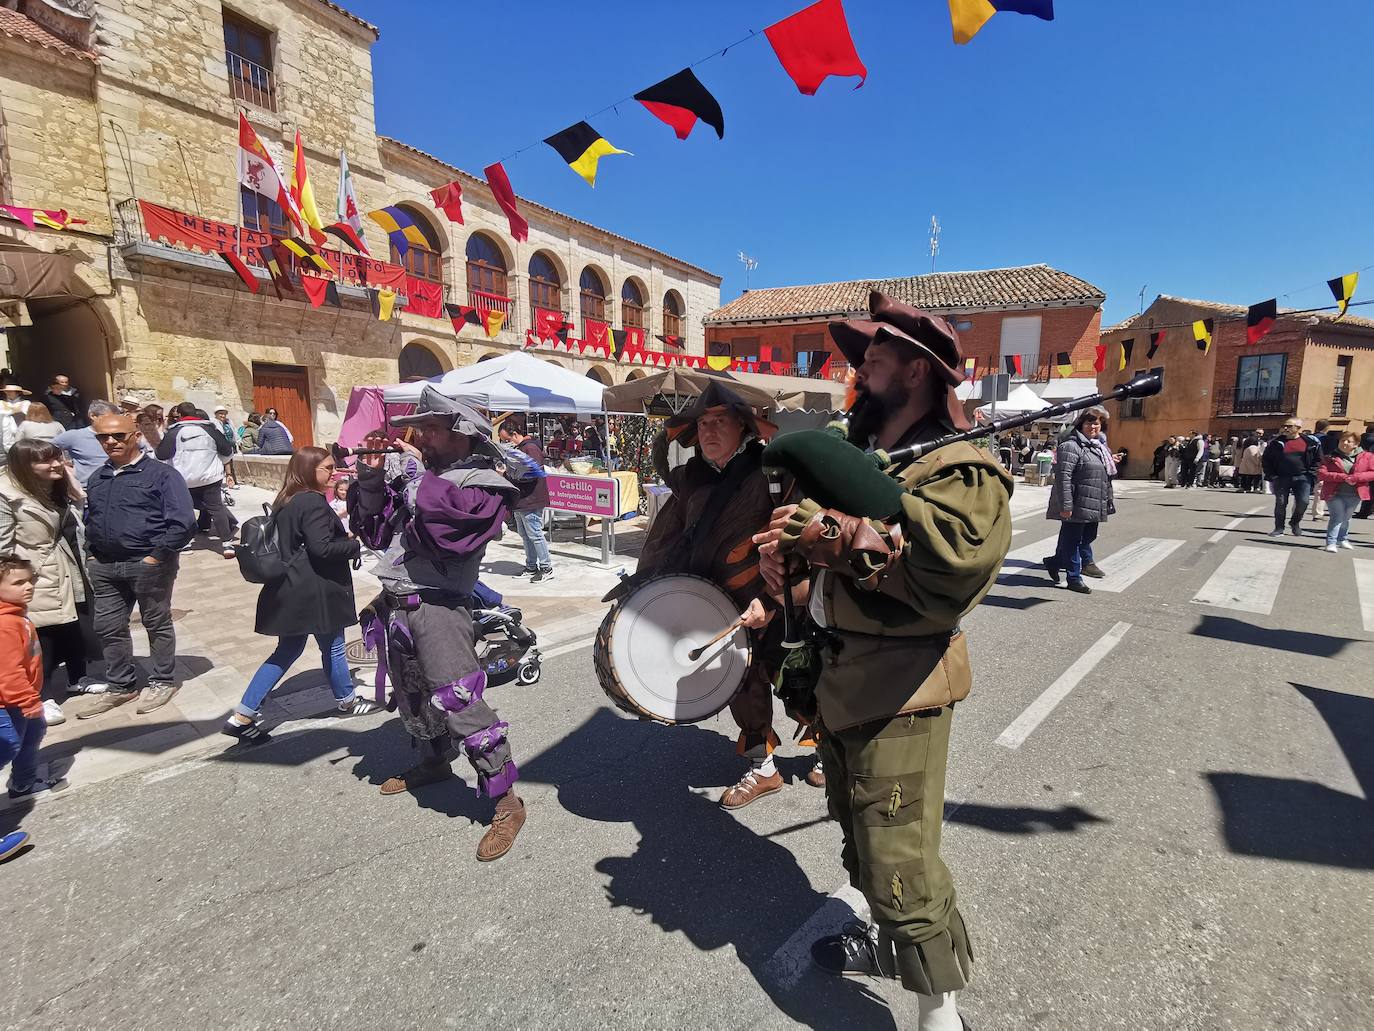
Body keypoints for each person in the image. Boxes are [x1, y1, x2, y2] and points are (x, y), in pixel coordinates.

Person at [755, 292, 1011, 1027]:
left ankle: (940, 1010)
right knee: (859, 829)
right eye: (862, 355)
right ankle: (879, 936)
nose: (860, 368)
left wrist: (835, 533)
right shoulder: (872, 454)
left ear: (919, 372)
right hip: (841, 678)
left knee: (901, 856)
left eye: (876, 356)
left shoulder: (961, 471)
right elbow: (826, 558)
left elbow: (948, 572)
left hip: (902, 688)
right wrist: (790, 565)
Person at [349, 387, 527, 862]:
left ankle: (507, 800)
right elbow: (378, 530)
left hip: (440, 608)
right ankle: (434, 762)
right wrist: (370, 479)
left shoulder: (484, 481)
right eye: (420, 426)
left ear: (463, 433)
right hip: (399, 603)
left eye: (432, 428)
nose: (420, 435)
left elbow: (449, 535)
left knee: (458, 698)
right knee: (412, 692)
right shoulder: (432, 475)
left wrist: (412, 483)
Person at [635, 380, 818, 807]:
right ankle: (764, 769)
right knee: (742, 687)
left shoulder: (776, 474)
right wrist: (646, 590)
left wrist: (773, 601)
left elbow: (803, 544)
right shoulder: (688, 480)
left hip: (779, 603)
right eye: (703, 423)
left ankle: (825, 750)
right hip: (720, 607)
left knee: (800, 681)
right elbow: (666, 541)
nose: (710, 430)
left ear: (744, 428)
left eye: (720, 421)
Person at [223, 448, 379, 741]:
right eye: (327, 468)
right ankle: (347, 701)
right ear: (309, 470)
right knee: (332, 646)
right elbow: (321, 549)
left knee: (287, 651)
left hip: (292, 587)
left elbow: (305, 541)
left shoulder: (288, 498)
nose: (333, 474)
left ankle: (242, 715)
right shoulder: (312, 501)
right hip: (316, 589)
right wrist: (353, 545)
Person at [75, 413, 197, 719]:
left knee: (156, 622)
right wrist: (91, 554)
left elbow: (183, 523)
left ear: (135, 436)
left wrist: (156, 556)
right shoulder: (99, 476)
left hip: (148, 564)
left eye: (118, 436)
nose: (110, 442)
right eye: (103, 437)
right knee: (108, 627)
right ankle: (121, 685)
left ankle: (162, 680)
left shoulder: (161, 475)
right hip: (105, 565)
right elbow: (92, 519)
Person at [0, 440, 100, 726]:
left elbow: (79, 502)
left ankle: (77, 677)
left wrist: (68, 477)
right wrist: (16, 581)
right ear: (24, 466)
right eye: (45, 461)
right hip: (35, 570)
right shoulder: (6, 495)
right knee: (42, 635)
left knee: (73, 623)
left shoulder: (52, 484)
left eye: (57, 458)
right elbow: (3, 548)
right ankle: (42, 697)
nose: (56, 464)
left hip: (67, 563)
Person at [1, 556, 53, 826]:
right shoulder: (5, 625)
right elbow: (7, 673)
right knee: (7, 747)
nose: (28, 587)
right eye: (18, 582)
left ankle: (23, 785)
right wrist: (27, 700)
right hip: (9, 704)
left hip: (21, 700)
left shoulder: (16, 614)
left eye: (30, 580)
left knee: (32, 736)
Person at [1043, 407, 1115, 594]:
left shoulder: (1098, 448)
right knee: (1073, 541)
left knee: (1087, 538)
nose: (1093, 426)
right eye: (1089, 422)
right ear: (1081, 424)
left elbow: (1101, 476)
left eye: (1097, 423)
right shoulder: (1070, 446)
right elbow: (1063, 477)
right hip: (1075, 504)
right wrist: (1066, 506)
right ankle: (1074, 578)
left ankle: (1055, 561)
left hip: (1092, 503)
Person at [156, 402, 235, 558]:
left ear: (179, 413)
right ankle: (227, 544)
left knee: (184, 510)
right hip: (210, 476)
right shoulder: (209, 430)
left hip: (183, 478)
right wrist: (219, 462)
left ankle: (185, 544)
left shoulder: (174, 432)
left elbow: (162, 454)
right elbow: (227, 450)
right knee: (217, 508)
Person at [498, 420, 554, 582]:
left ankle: (546, 567)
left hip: (532, 498)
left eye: (507, 440)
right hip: (521, 499)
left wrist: (507, 475)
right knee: (525, 534)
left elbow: (532, 473)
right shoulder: (520, 449)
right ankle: (531, 566)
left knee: (535, 533)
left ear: (515, 434)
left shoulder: (530, 448)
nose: (507, 443)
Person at [1263, 418, 1321, 538]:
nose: (1285, 428)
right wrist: (1272, 475)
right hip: (1281, 477)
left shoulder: (1311, 442)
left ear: (1298, 428)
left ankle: (1294, 522)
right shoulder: (1275, 443)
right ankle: (1279, 528)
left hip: (1303, 478)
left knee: (1303, 502)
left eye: (1289, 426)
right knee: (1281, 503)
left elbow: (1318, 459)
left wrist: (1312, 473)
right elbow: (1266, 460)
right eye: (1284, 426)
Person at [53, 400, 135, 486]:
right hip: (87, 488)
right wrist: (62, 464)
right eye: (108, 418)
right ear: (93, 416)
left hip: (119, 484)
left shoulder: (122, 435)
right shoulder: (74, 436)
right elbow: (46, 450)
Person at [1317, 432, 1374, 553]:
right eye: (1342, 440)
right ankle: (1331, 542)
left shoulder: (1367, 456)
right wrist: (1343, 477)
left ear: (1356, 444)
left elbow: (1372, 473)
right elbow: (1322, 474)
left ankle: (1342, 539)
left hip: (1355, 493)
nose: (1344, 443)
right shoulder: (1330, 457)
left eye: (1348, 441)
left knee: (1346, 518)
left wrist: (1356, 477)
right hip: (1334, 493)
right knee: (1337, 517)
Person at [0, 383, 32, 458]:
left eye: (11, 391)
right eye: (7, 391)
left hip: (20, 429)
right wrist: (13, 411)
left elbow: (27, 413)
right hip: (4, 431)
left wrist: (15, 411)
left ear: (17, 393)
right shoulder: (1, 403)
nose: (8, 393)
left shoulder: (25, 403)